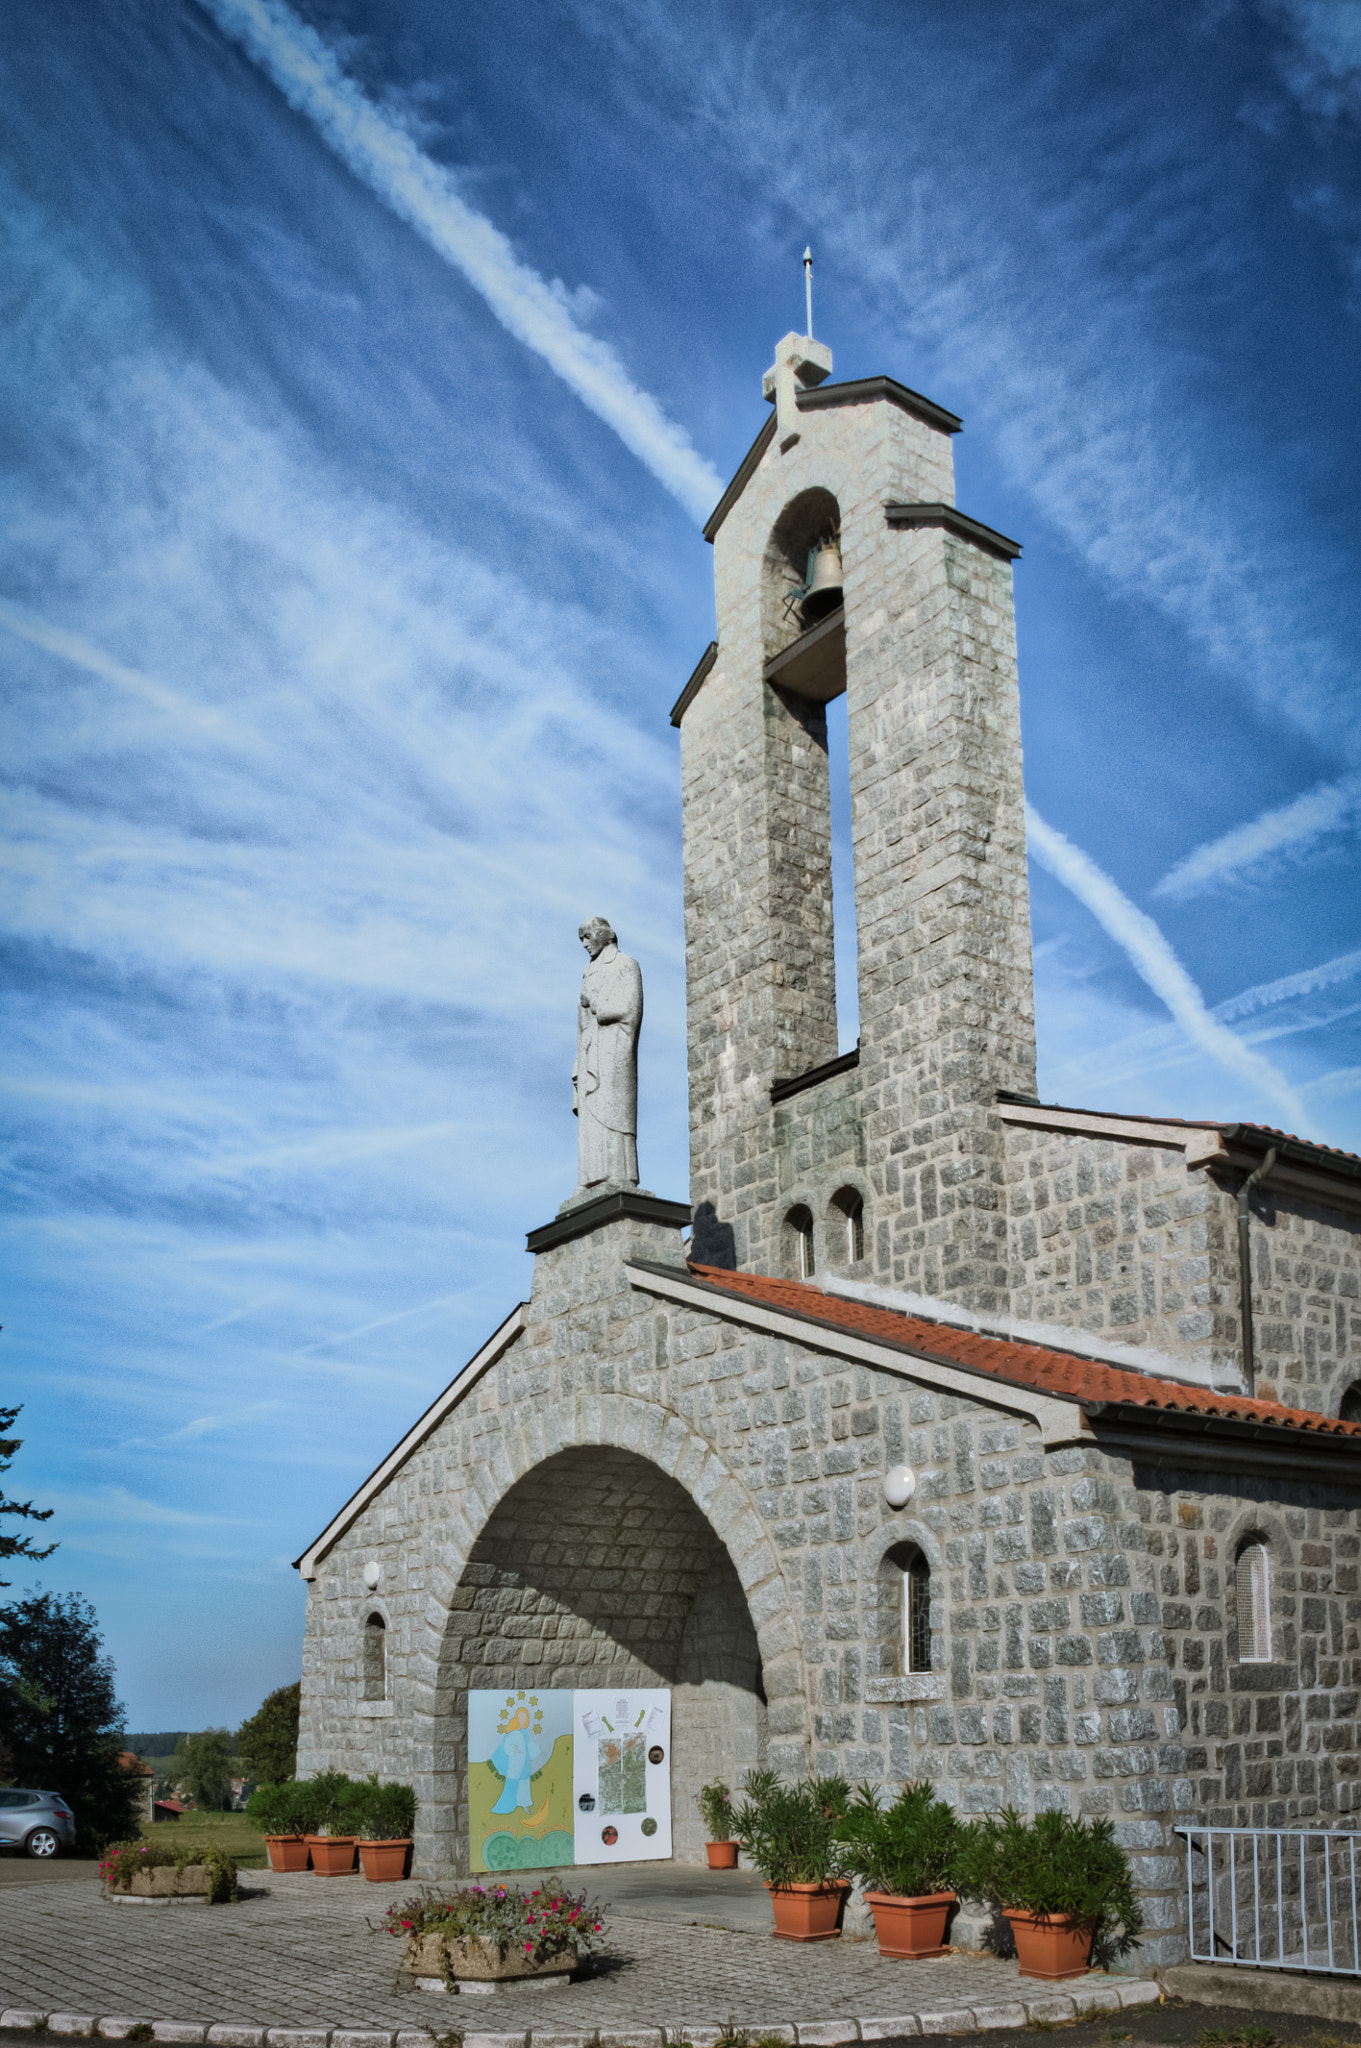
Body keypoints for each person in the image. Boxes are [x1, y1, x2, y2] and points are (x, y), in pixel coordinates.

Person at [572, 917, 643, 1192]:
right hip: (590, 1051)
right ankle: (589, 1178)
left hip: (615, 1049)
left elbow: (630, 1009)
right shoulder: (588, 973)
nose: (585, 944)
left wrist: (596, 1002)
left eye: (587, 936)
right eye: (581, 940)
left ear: (604, 935)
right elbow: (580, 1026)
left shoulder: (626, 965)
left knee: (614, 1111)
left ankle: (618, 1174)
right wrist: (578, 1064)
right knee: (591, 1114)